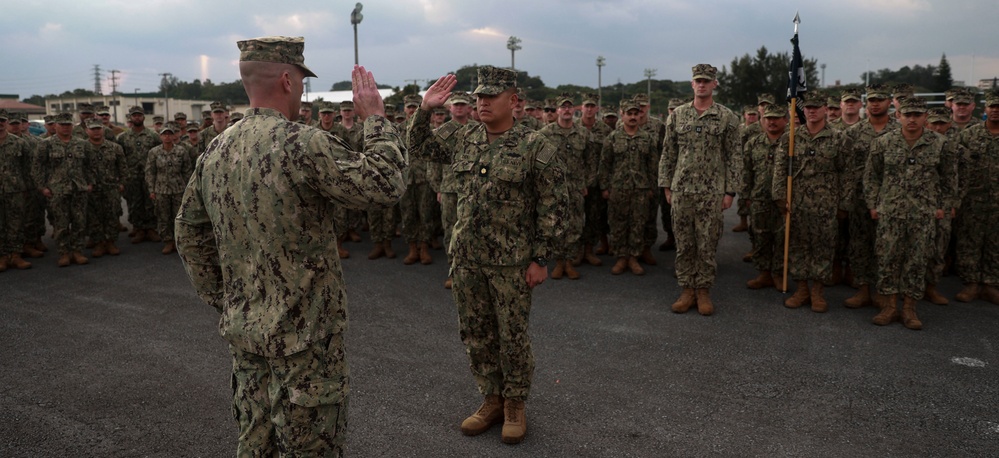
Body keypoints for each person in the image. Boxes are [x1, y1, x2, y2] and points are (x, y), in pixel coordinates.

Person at [175, 36, 407, 455]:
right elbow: (385, 184)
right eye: (300, 81)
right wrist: (375, 120)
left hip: (247, 334)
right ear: (286, 79)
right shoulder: (303, 143)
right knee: (311, 447)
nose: (301, 91)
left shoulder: (215, 150)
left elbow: (188, 232)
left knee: (255, 444)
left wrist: (228, 299)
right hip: (307, 336)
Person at [410, 67, 568, 444]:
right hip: (467, 257)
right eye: (478, 96)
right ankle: (491, 398)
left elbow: (555, 206)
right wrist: (423, 108)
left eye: (490, 96)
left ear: (513, 101)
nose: (481, 102)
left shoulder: (535, 145)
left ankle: (515, 403)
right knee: (476, 333)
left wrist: (541, 258)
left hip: (512, 262)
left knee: (512, 335)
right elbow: (419, 148)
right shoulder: (464, 136)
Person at [864, 97, 957, 330]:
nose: (912, 119)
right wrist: (873, 205)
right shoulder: (884, 142)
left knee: (916, 261)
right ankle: (889, 306)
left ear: (925, 117)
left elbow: (949, 179)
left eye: (917, 115)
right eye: (907, 115)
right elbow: (871, 176)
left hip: (923, 213)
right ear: (898, 116)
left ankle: (909, 308)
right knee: (888, 258)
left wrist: (942, 206)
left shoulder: (941, 144)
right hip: (891, 212)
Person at [660, 64, 741, 316]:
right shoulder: (677, 115)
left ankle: (703, 290)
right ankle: (686, 289)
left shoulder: (727, 117)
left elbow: (734, 156)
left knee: (707, 243)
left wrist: (730, 192)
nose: (702, 84)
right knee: (684, 243)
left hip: (712, 192)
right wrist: (666, 184)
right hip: (682, 189)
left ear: (715, 84)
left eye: (707, 80)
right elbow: (668, 152)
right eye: (698, 80)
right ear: (692, 84)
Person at [772, 91, 848, 312]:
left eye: (817, 107)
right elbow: (780, 169)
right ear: (803, 110)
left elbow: (847, 173)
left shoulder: (839, 138)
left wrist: (844, 204)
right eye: (808, 108)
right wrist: (779, 195)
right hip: (797, 202)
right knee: (797, 246)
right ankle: (802, 289)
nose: (812, 111)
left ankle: (817, 291)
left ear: (826, 109)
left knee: (823, 247)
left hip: (826, 203)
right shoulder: (791, 137)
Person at [842, 84, 896, 308]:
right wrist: (844, 200)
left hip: (891, 199)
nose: (875, 104)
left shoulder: (899, 131)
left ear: (889, 102)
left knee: (888, 247)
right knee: (860, 245)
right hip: (859, 199)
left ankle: (884, 292)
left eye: (880, 100)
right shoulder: (853, 133)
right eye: (872, 100)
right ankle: (863, 289)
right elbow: (843, 168)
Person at [539, 93, 596, 279]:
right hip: (554, 188)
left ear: (574, 110)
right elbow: (541, 162)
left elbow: (591, 161)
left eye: (569, 107)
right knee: (555, 224)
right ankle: (558, 262)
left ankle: (569, 261)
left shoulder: (583, 134)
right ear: (557, 110)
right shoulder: (547, 134)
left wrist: (586, 183)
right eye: (563, 107)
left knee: (575, 225)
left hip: (576, 188)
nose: (566, 110)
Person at [599, 99, 659, 275]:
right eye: (629, 114)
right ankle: (621, 257)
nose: (633, 117)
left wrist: (651, 188)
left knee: (638, 224)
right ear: (622, 115)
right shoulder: (612, 138)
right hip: (618, 189)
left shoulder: (647, 138)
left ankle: (633, 257)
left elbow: (652, 166)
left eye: (636, 113)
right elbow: (605, 165)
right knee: (618, 223)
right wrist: (604, 187)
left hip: (640, 189)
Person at [954, 90, 999, 303]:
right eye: (992, 107)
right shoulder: (969, 135)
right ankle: (971, 283)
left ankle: (991, 284)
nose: (996, 111)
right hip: (972, 199)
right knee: (969, 241)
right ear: (985, 109)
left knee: (995, 243)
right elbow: (956, 168)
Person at [35, 112, 93, 267]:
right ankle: (63, 253)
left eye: (68, 125)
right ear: (56, 126)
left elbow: (90, 166)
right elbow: (37, 167)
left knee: (79, 222)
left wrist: (90, 183)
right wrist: (42, 187)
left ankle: (77, 252)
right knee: (61, 224)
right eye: (62, 125)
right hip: (57, 190)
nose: (66, 128)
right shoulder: (45, 144)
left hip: (78, 189)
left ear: (72, 126)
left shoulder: (83, 144)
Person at [742, 103, 788, 289]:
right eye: (768, 118)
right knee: (761, 236)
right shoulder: (754, 143)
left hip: (784, 199)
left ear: (785, 120)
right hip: (759, 197)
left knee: (782, 237)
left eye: (776, 118)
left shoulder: (791, 142)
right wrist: (746, 194)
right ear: (762, 120)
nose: (772, 122)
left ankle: (778, 273)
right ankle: (764, 273)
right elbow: (746, 171)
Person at [145, 122, 193, 255]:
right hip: (161, 190)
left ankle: (179, 242)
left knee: (179, 217)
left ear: (174, 136)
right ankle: (167, 241)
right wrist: (151, 190)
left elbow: (187, 171)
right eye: (164, 134)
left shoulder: (181, 151)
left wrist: (188, 189)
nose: (167, 137)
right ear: (160, 136)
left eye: (169, 134)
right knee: (163, 217)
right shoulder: (154, 152)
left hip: (178, 189)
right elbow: (150, 172)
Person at [117, 105, 162, 243]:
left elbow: (159, 155)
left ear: (143, 117)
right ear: (130, 117)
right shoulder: (123, 138)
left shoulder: (153, 136)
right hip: (131, 176)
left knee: (150, 202)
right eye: (134, 115)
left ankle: (151, 229)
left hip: (149, 176)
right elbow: (120, 158)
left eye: (139, 115)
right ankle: (139, 228)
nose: (137, 117)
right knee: (134, 203)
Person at [84, 118, 127, 258]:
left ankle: (110, 242)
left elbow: (123, 168)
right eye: (93, 129)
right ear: (87, 130)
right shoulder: (82, 148)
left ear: (103, 130)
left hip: (111, 188)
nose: (96, 131)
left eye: (98, 128)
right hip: (91, 188)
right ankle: (98, 243)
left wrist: (122, 183)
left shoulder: (114, 147)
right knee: (94, 216)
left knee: (112, 215)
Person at [0, 109, 35, 271]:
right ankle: (2, 257)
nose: (0, 124)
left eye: (2, 120)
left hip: (16, 190)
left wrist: (28, 188)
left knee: (16, 223)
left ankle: (15, 255)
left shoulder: (19, 143)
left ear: (6, 122)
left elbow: (28, 168)